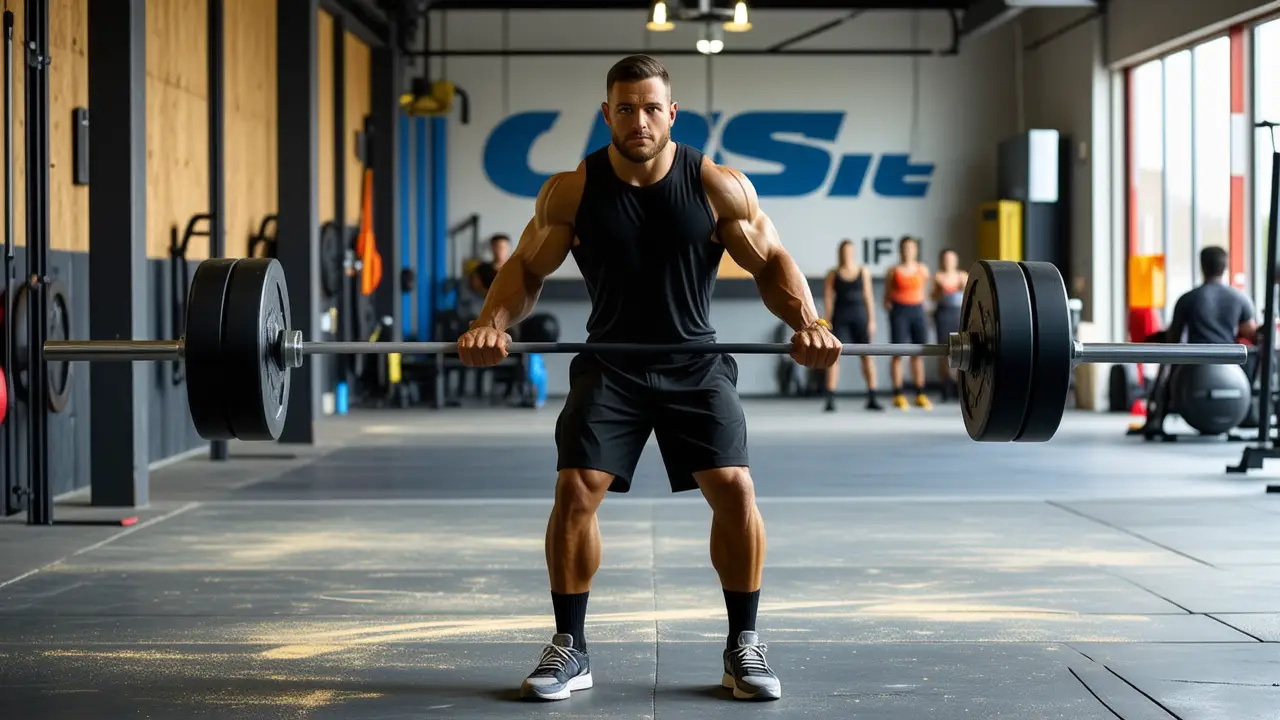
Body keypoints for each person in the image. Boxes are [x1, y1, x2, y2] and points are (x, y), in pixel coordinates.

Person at [455, 54, 841, 703]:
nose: (639, 119)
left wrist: (811, 320)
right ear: (607, 113)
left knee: (734, 489)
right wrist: (492, 321)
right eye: (626, 108)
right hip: (611, 362)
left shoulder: (717, 184)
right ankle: (570, 646)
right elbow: (525, 268)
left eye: (651, 107)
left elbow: (772, 260)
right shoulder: (572, 190)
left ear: (672, 113)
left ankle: (743, 644)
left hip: (694, 361)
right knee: (576, 489)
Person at [822, 239, 881, 411]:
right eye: (844, 251)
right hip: (840, 316)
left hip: (860, 316)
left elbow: (869, 297)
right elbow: (828, 298)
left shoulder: (863, 272)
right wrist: (826, 322)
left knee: (867, 357)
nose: (847, 255)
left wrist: (872, 320)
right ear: (840, 254)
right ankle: (830, 399)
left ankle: (872, 396)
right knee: (833, 356)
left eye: (850, 251)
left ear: (853, 253)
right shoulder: (833, 274)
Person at [883, 236, 932, 410]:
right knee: (897, 354)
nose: (908, 251)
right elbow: (886, 297)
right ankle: (898, 394)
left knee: (918, 353)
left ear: (915, 250)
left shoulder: (923, 270)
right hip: (899, 311)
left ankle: (920, 393)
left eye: (911, 248)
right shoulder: (893, 271)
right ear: (900, 250)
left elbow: (924, 291)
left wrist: (922, 305)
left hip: (917, 311)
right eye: (905, 248)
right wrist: (892, 309)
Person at [930, 249, 967, 402]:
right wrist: (941, 289)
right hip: (943, 313)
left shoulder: (962, 276)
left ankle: (960, 386)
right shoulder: (938, 276)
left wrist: (961, 286)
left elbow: (970, 294)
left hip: (959, 313)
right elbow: (932, 297)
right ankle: (946, 385)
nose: (948, 261)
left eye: (951, 259)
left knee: (962, 350)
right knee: (944, 350)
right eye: (946, 259)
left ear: (956, 260)